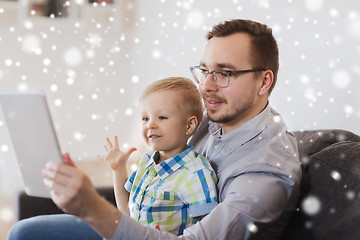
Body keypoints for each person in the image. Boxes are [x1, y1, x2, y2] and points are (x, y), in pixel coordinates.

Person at [7, 19, 302, 240]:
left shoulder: (267, 170)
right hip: (152, 224)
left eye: (224, 73)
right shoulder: (215, 114)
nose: (207, 87)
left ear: (264, 82)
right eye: (204, 71)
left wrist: (92, 207)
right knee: (25, 231)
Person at [101, 77, 218, 235]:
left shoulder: (196, 175)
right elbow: (126, 215)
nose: (150, 125)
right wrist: (118, 169)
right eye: (145, 118)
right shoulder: (146, 161)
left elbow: (212, 232)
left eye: (162, 117)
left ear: (189, 125)